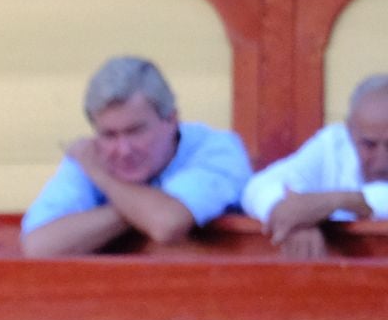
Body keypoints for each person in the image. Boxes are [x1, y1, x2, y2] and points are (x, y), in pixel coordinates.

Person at [20, 55, 250, 258]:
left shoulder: (217, 149)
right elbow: (39, 246)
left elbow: (167, 224)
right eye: (109, 135)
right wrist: (139, 210)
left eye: (135, 131)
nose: (124, 150)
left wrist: (103, 178)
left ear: (171, 120)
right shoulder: (91, 154)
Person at [240, 74, 388, 259]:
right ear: (350, 130)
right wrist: (293, 220)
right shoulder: (334, 144)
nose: (382, 160)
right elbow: (258, 187)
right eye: (369, 145)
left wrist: (337, 201)